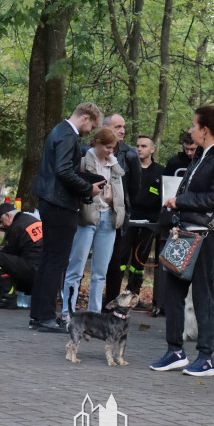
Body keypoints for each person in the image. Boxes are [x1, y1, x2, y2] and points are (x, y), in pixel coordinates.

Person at [150, 104, 214, 378]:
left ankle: (206, 357)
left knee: (203, 293)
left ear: (205, 130)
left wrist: (181, 201)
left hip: (209, 234)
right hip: (186, 231)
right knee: (172, 289)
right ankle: (175, 351)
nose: (189, 130)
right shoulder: (202, 155)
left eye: (193, 125)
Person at [30, 102, 104, 332]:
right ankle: (46, 317)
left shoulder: (58, 131)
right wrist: (87, 189)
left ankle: (38, 315)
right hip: (60, 204)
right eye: (91, 126)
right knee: (56, 262)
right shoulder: (69, 136)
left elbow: (61, 169)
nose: (90, 131)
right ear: (85, 117)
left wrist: (85, 180)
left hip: (50, 201)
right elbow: (63, 170)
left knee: (48, 260)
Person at [62, 126, 125, 318]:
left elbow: (121, 195)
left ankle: (94, 314)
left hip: (108, 219)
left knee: (100, 272)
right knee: (76, 268)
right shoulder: (82, 163)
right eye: (107, 147)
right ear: (96, 143)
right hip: (87, 217)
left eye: (113, 148)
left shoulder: (114, 166)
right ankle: (68, 312)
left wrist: (113, 199)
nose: (110, 151)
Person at [114, 135, 165, 303]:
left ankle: (133, 294)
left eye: (144, 146)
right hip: (128, 221)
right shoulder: (128, 168)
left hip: (149, 224)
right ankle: (114, 293)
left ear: (152, 149)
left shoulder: (160, 172)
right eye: (137, 145)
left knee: (139, 261)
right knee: (121, 258)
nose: (139, 149)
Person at [102, 113, 142, 305]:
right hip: (92, 213)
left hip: (117, 216)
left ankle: (110, 305)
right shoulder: (89, 150)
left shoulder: (131, 155)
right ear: (105, 127)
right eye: (117, 127)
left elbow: (135, 189)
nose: (123, 130)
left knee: (115, 263)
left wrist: (121, 206)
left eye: (123, 126)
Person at [0, 203, 43, 309]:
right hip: (46, 274)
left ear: (8, 215)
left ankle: (7, 298)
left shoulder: (16, 227)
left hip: (32, 272)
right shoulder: (32, 220)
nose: (3, 226)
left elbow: (7, 254)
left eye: (2, 222)